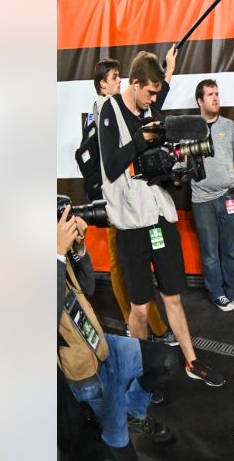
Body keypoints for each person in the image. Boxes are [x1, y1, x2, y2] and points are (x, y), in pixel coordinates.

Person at [96, 51, 224, 386]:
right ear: (134, 84)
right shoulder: (109, 110)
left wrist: (170, 65)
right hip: (130, 223)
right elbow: (110, 168)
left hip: (157, 217)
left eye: (157, 94)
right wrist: (140, 140)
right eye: (150, 93)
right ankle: (136, 373)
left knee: (173, 297)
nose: (155, 98)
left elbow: (161, 85)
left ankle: (192, 362)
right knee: (140, 308)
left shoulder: (148, 104)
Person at [57, 203, 177, 461]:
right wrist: (56, 253)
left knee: (166, 361)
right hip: (86, 375)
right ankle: (117, 424)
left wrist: (78, 249)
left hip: (104, 346)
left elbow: (88, 286)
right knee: (123, 453)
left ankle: (133, 410)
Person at [83, 57, 176, 346]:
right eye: (114, 77)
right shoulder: (102, 110)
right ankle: (135, 325)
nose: (119, 81)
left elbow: (153, 101)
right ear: (102, 85)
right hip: (116, 203)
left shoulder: (128, 109)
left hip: (135, 202)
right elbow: (102, 162)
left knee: (132, 271)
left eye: (121, 76)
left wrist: (168, 70)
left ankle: (153, 327)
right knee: (121, 268)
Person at [191, 79, 234, 312]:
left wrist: (228, 174)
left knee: (229, 248)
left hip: (228, 196)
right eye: (210, 94)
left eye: (217, 93)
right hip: (202, 200)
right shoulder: (190, 129)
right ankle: (217, 293)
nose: (216, 98)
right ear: (200, 100)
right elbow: (180, 162)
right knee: (210, 252)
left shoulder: (229, 126)